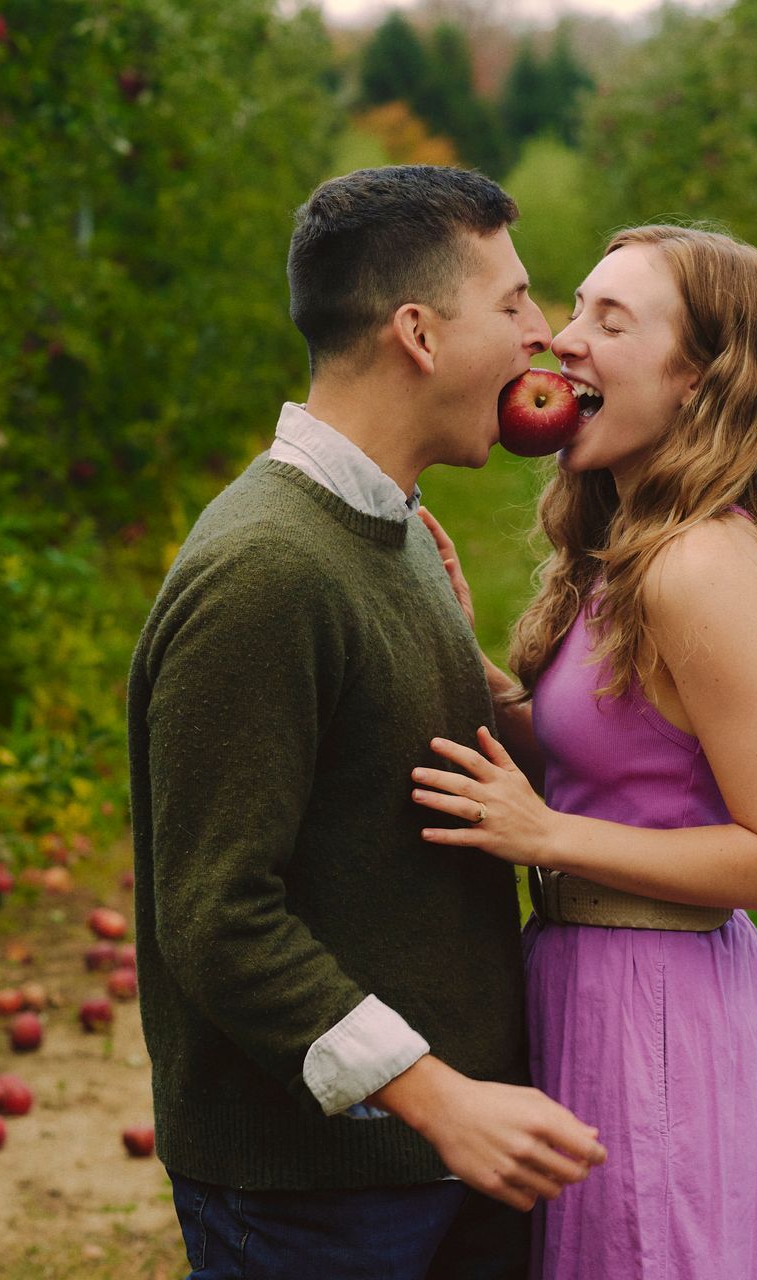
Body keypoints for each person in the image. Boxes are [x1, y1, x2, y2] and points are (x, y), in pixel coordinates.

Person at [126, 165, 607, 1280]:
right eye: (513, 303)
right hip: (323, 1188)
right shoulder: (266, 568)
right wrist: (435, 1097)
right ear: (418, 334)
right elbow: (217, 912)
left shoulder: (385, 527)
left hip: (436, 1155)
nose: (543, 335)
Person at [412, 224, 757, 1277]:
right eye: (574, 311)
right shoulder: (639, 551)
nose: (562, 343)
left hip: (663, 1023)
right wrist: (472, 665)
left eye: (610, 322)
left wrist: (547, 833)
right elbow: (627, 765)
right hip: (602, 993)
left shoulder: (693, 568)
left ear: (702, 381)